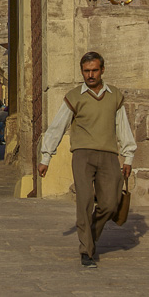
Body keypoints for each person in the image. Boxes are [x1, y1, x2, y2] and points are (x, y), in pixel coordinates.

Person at [38, 51, 136, 269]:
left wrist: (128, 156)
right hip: (82, 155)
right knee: (84, 201)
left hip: (109, 155)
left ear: (102, 70)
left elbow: (123, 127)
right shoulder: (74, 96)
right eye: (86, 71)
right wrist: (46, 157)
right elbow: (57, 127)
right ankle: (86, 250)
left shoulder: (115, 96)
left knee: (110, 204)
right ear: (82, 71)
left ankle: (89, 235)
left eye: (94, 70)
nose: (90, 75)